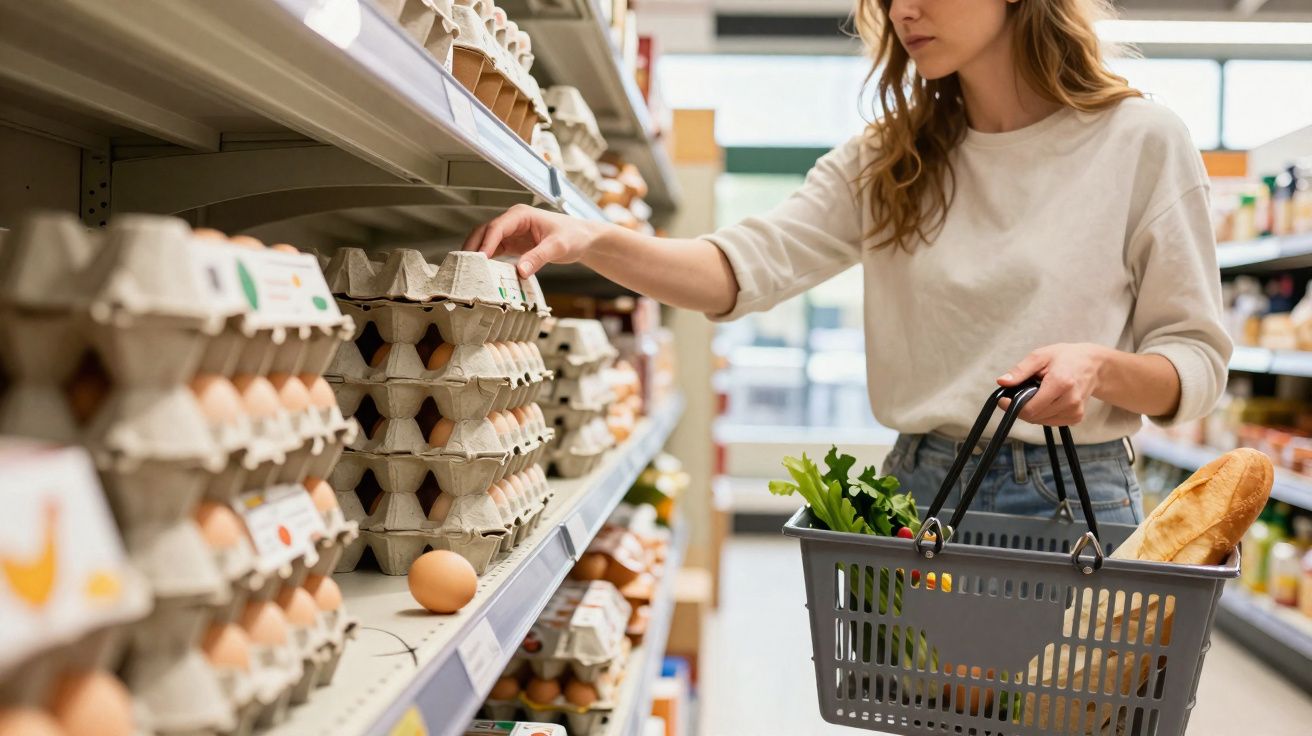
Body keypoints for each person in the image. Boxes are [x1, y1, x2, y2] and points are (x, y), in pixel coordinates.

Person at [463, 0, 1232, 525]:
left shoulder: (1141, 142)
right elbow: (738, 269)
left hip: (1077, 500)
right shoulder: (892, 160)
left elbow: (1196, 362)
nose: (903, 10)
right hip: (921, 489)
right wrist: (594, 239)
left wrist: (1101, 367)